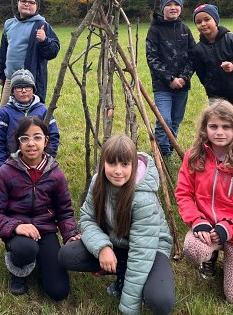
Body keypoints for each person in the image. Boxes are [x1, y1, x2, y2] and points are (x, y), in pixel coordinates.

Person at [59, 134, 176, 315]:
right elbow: (87, 219)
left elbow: (141, 254)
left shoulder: (143, 199)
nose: (118, 171)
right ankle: (121, 271)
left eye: (125, 164)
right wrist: (102, 247)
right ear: (103, 163)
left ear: (133, 165)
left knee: (160, 301)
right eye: (112, 163)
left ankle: (138, 278)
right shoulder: (98, 182)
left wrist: (129, 308)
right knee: (68, 255)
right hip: (117, 242)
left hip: (150, 249)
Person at [175, 101, 233, 307]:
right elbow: (183, 193)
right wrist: (197, 221)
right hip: (207, 228)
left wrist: (229, 229)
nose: (219, 132)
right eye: (213, 126)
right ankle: (210, 257)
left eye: (226, 127)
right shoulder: (194, 157)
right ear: (204, 128)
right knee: (195, 249)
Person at [0, 116, 79, 300]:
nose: (31, 143)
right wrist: (15, 227)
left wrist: (70, 234)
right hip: (18, 233)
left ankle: (40, 262)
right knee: (26, 248)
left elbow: (64, 210)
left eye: (37, 137)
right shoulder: (5, 172)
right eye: (25, 138)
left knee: (58, 292)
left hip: (45, 230)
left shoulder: (56, 174)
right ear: (18, 142)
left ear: (46, 140)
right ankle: (18, 270)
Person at [146, 0, 195, 158]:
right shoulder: (155, 30)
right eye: (169, 4)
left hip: (182, 85)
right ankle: (163, 152)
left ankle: (170, 148)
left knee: (175, 120)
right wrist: (170, 79)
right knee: (164, 119)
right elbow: (152, 58)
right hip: (162, 86)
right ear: (163, 8)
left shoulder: (185, 30)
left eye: (176, 4)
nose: (173, 8)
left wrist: (184, 78)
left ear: (181, 7)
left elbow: (193, 56)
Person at [0, 0, 60, 106]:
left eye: (31, 2)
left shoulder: (42, 25)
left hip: (30, 82)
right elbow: (3, 51)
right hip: (10, 79)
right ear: (18, 3)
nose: (26, 4)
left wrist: (44, 40)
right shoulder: (9, 24)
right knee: (5, 112)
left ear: (37, 6)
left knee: (30, 115)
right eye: (23, 1)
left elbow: (53, 51)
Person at [192, 4, 233, 128]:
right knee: (219, 125)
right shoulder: (198, 49)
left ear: (216, 20)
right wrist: (210, 85)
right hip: (216, 96)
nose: (203, 24)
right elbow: (201, 73)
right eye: (198, 22)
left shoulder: (232, 39)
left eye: (207, 19)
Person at [0, 69, 60, 167]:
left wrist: (46, 162)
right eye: (19, 87)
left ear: (33, 89)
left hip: (38, 163)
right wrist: (2, 166)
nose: (23, 91)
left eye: (27, 87)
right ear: (12, 91)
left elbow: (53, 137)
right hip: (11, 164)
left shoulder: (43, 111)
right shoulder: (4, 113)